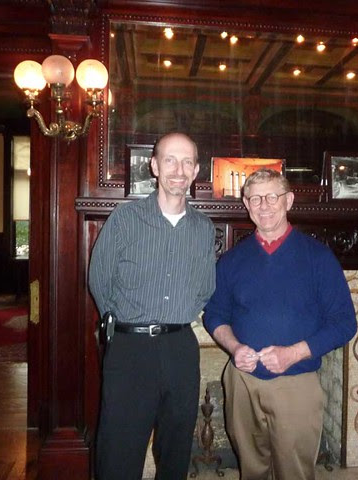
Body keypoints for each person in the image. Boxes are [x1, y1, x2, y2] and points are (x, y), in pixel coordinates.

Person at [203, 168, 357, 480]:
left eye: (272, 197)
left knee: (294, 473)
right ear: (246, 204)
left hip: (296, 382)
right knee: (252, 469)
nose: (264, 205)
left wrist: (292, 354)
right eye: (255, 198)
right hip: (242, 381)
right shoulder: (232, 260)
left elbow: (344, 323)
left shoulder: (318, 257)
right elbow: (214, 315)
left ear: (288, 201)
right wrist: (234, 348)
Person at [88, 132, 216, 480]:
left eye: (187, 162)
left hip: (180, 348)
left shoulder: (204, 229)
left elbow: (205, 289)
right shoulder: (125, 219)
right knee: (119, 453)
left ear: (196, 170)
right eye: (170, 160)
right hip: (130, 350)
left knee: (176, 452)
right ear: (155, 166)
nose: (179, 170)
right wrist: (125, 323)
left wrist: (176, 316)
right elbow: (99, 280)